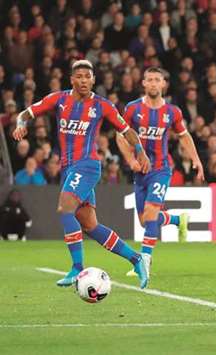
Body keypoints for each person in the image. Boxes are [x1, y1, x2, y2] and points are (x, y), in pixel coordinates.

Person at [11, 60, 151, 288]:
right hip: (68, 169)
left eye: (88, 76)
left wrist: (140, 151)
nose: (84, 80)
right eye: (79, 76)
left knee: (66, 207)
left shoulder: (102, 105)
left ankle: (77, 267)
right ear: (72, 80)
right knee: (90, 225)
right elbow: (26, 113)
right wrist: (20, 124)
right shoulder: (59, 99)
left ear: (93, 79)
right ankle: (136, 259)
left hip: (87, 165)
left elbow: (126, 130)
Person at [117, 67, 204, 277]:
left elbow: (183, 136)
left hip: (161, 169)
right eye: (150, 80)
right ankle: (177, 220)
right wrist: (131, 160)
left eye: (158, 80)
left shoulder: (172, 112)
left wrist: (196, 160)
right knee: (146, 221)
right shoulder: (132, 109)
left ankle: (144, 262)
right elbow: (121, 136)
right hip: (140, 172)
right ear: (144, 83)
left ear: (163, 84)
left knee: (150, 214)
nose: (154, 83)